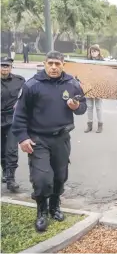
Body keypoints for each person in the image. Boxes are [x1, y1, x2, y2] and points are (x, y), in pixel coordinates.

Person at [11, 51, 87, 232]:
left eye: (57, 64)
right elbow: (20, 114)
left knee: (60, 177)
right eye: (50, 63)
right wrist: (22, 138)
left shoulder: (72, 84)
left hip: (61, 138)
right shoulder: (32, 85)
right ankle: (42, 212)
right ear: (44, 64)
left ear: (63, 65)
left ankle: (55, 207)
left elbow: (82, 107)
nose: (54, 67)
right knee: (42, 179)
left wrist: (77, 106)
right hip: (38, 139)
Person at [1, 56, 24, 192]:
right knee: (1, 150)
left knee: (11, 150)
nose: (4, 68)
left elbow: (26, 95)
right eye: (2, 65)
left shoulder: (19, 81)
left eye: (7, 66)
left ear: (11, 67)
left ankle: (11, 178)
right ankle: (5, 171)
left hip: (11, 119)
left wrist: (19, 104)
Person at [84, 44, 104, 133]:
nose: (93, 53)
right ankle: (89, 125)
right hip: (88, 86)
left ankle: (100, 125)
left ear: (99, 52)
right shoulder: (87, 62)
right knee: (89, 106)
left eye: (95, 51)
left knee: (98, 107)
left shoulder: (103, 62)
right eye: (92, 51)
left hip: (98, 86)